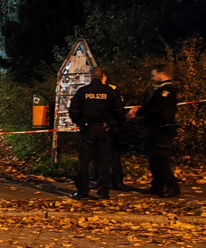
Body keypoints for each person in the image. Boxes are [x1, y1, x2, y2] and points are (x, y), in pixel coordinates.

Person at [69, 67, 123, 200]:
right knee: (105, 162)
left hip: (88, 129)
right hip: (105, 130)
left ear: (90, 77)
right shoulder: (111, 91)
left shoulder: (83, 92)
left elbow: (73, 111)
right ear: (102, 77)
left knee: (85, 162)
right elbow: (119, 111)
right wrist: (113, 124)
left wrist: (80, 122)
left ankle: (83, 192)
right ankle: (103, 193)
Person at [127, 64, 179, 197]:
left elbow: (157, 110)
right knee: (153, 158)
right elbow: (150, 107)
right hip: (155, 129)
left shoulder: (166, 91)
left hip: (162, 129)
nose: (152, 78)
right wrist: (139, 111)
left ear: (162, 74)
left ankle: (172, 187)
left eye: (153, 74)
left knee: (161, 159)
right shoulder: (159, 90)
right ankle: (157, 186)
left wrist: (139, 113)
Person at [102, 72, 128, 190]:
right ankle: (104, 180)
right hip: (105, 126)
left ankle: (116, 181)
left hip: (112, 126)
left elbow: (119, 109)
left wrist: (116, 123)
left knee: (114, 154)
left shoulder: (113, 90)